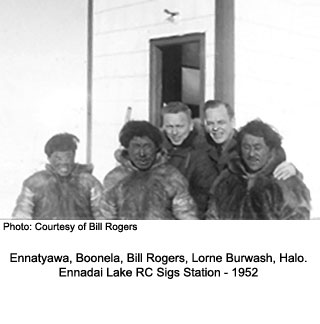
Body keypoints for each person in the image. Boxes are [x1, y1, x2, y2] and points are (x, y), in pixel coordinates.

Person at [206, 119, 311, 220]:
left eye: (257, 148)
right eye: (246, 147)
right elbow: (212, 215)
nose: (251, 154)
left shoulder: (285, 181)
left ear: (269, 149)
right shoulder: (226, 180)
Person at [102, 120, 198, 220]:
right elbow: (105, 217)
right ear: (127, 149)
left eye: (147, 146)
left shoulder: (171, 177)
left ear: (156, 148)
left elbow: (186, 214)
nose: (142, 153)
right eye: (136, 146)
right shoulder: (115, 178)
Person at [12, 133, 105, 220]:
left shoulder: (88, 181)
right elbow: (22, 215)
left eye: (68, 157)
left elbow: (103, 214)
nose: (64, 163)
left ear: (74, 156)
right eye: (58, 158)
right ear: (49, 158)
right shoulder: (35, 183)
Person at [202, 99, 297, 179]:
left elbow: (274, 162)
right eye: (210, 123)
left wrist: (294, 171)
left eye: (220, 122)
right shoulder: (202, 146)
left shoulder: (246, 144)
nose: (215, 128)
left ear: (232, 122)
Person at [161, 102, 218, 217]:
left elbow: (206, 199)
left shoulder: (201, 154)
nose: (174, 132)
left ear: (191, 125)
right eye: (169, 126)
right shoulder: (157, 152)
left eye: (180, 126)